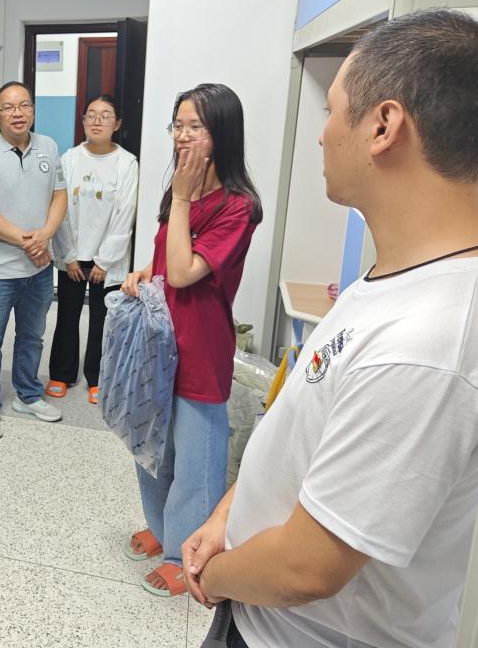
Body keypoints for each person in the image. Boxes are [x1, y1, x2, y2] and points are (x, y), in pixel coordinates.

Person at [183, 9, 478, 648]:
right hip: (259, 610)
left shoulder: (427, 344)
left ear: (383, 127)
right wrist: (229, 514)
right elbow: (302, 432)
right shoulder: (396, 276)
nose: (321, 136)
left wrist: (216, 576)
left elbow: (307, 569)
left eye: (332, 111)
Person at [121, 83, 262, 597]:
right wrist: (146, 272)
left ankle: (188, 554)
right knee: (152, 447)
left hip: (201, 350)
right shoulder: (181, 191)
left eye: (194, 126)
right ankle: (163, 531)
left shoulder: (238, 206)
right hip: (158, 347)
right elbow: (168, 260)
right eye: (177, 125)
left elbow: (185, 273)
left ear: (221, 133)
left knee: (197, 461)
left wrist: (180, 199)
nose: (181, 136)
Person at [0, 81, 68, 439]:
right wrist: (30, 242)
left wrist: (46, 234)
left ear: (33, 110)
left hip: (39, 267)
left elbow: (59, 196)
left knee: (32, 335)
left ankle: (28, 395)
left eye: (24, 105)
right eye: (8, 107)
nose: (17, 113)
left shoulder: (48, 146)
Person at [49, 95, 138, 404]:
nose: (97, 121)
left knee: (103, 319)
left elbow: (125, 214)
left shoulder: (127, 163)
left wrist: (104, 261)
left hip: (108, 259)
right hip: (73, 255)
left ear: (117, 124)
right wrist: (69, 256)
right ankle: (61, 373)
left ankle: (97, 378)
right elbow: (60, 209)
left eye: (105, 115)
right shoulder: (69, 158)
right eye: (91, 115)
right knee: (66, 315)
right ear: (84, 120)